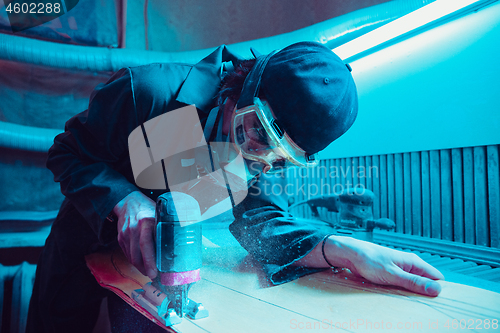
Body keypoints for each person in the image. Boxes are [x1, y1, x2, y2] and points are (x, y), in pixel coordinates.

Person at [27, 42, 443, 333]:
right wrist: (124, 199)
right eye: (256, 133)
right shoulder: (151, 94)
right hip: (85, 243)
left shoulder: (263, 155)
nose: (256, 160)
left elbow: (261, 221)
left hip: (157, 273)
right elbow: (67, 153)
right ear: (246, 85)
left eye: (280, 157)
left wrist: (342, 249)